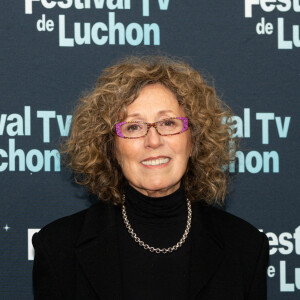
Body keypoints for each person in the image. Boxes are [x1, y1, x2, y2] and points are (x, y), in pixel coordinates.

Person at [32, 56, 269, 300]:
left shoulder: (246, 247)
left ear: (194, 141)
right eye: (133, 127)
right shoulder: (58, 248)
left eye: (168, 123)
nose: (153, 141)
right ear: (111, 148)